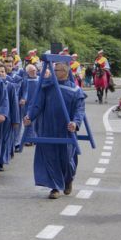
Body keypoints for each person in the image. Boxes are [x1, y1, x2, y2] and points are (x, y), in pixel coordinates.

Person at [24, 62, 86, 199]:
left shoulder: (75, 90)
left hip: (66, 129)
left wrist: (75, 123)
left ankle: (68, 179)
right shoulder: (47, 87)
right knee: (50, 158)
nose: (53, 72)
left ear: (64, 71)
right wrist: (29, 117)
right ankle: (55, 187)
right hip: (47, 127)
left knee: (66, 159)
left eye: (56, 70)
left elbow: (79, 110)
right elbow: (37, 105)